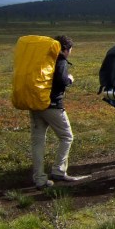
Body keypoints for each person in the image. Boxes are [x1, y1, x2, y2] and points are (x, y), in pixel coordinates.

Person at [30, 35, 77, 189]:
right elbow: (62, 81)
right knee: (67, 137)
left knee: (38, 142)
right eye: (70, 49)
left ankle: (39, 178)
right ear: (65, 49)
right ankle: (59, 171)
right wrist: (70, 79)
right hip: (52, 105)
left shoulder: (42, 59)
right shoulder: (60, 60)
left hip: (35, 103)